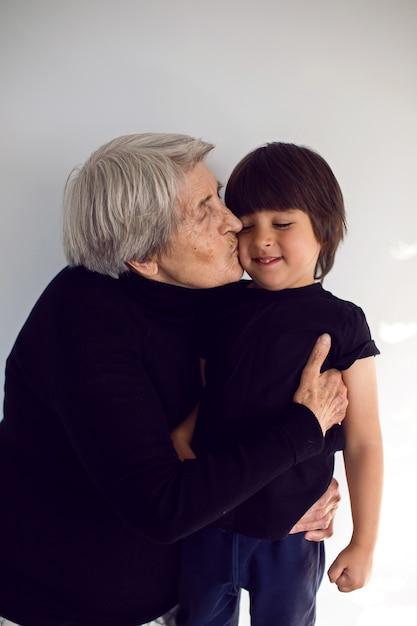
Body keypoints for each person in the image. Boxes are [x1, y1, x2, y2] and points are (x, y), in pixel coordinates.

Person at [0, 134, 347, 626]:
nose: (235, 221)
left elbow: (243, 423)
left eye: (218, 195)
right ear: (142, 257)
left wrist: (292, 491)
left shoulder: (214, 291)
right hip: (63, 606)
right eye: (205, 210)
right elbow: (162, 505)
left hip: (185, 588)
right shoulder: (83, 324)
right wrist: (299, 436)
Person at [172, 142, 384, 626]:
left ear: (324, 229)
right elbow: (207, 399)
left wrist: (364, 541)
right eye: (247, 226)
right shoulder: (218, 308)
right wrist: (180, 450)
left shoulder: (343, 323)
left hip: (293, 534)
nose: (262, 239)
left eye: (281, 224)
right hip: (208, 521)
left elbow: (365, 439)